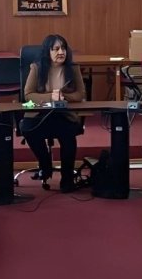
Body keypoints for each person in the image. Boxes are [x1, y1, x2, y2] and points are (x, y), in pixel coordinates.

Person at [22, 34, 86, 193]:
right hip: (40, 114)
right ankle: (45, 164)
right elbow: (28, 95)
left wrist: (64, 97)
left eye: (63, 48)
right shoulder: (36, 68)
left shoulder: (73, 68)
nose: (61, 52)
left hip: (63, 114)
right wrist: (50, 97)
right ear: (47, 52)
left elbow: (80, 94)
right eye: (56, 49)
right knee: (27, 129)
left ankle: (67, 179)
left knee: (68, 136)